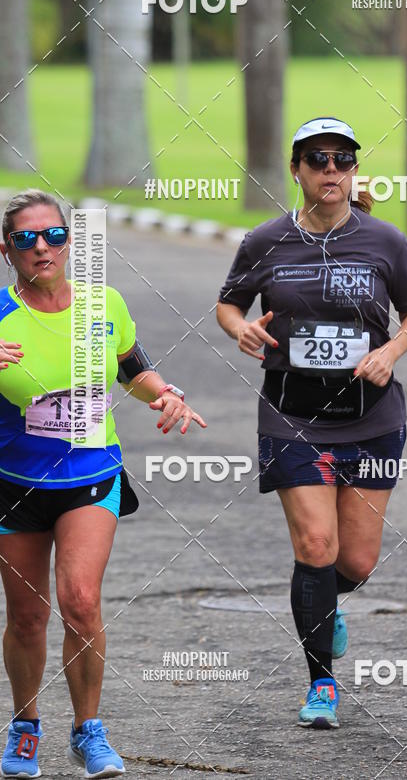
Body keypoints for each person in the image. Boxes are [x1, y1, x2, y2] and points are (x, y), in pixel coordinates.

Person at [216, 117, 407, 729]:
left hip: (371, 417)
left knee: (354, 562)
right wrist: (242, 328)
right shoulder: (265, 241)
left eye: (341, 159)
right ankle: (322, 684)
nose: (330, 170)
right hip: (291, 414)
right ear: (297, 170)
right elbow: (229, 302)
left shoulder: (384, 241)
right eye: (317, 160)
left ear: (353, 169)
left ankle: (326, 600)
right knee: (315, 546)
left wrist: (389, 351)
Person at [0, 190, 206, 778]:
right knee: (26, 617)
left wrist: (164, 394)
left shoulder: (102, 304)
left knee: (81, 602)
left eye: (55, 235)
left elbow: (132, 367)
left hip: (90, 471)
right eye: (26, 238)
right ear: (6, 249)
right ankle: (25, 725)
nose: (43, 247)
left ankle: (88, 730)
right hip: (14, 479)